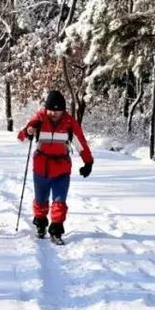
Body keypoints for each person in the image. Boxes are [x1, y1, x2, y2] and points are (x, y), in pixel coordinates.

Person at [17, 90, 94, 245]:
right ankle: (40, 224)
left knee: (59, 201)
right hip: (41, 168)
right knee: (40, 200)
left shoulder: (69, 123)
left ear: (63, 110)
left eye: (57, 110)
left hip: (61, 169)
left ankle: (56, 230)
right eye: (51, 110)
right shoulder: (39, 118)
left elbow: (80, 143)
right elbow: (21, 138)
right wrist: (28, 131)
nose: (53, 113)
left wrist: (88, 162)